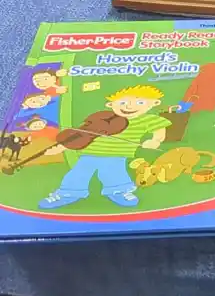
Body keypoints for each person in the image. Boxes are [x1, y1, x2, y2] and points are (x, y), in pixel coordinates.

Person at [38, 85, 171, 209]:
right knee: (79, 172)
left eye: (140, 102)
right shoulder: (102, 118)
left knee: (114, 172)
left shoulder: (148, 119)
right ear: (110, 104)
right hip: (90, 152)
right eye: (122, 102)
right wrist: (62, 147)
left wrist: (155, 141)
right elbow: (82, 134)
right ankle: (68, 193)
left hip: (118, 154)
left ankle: (118, 192)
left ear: (155, 103)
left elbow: (159, 130)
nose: (130, 106)